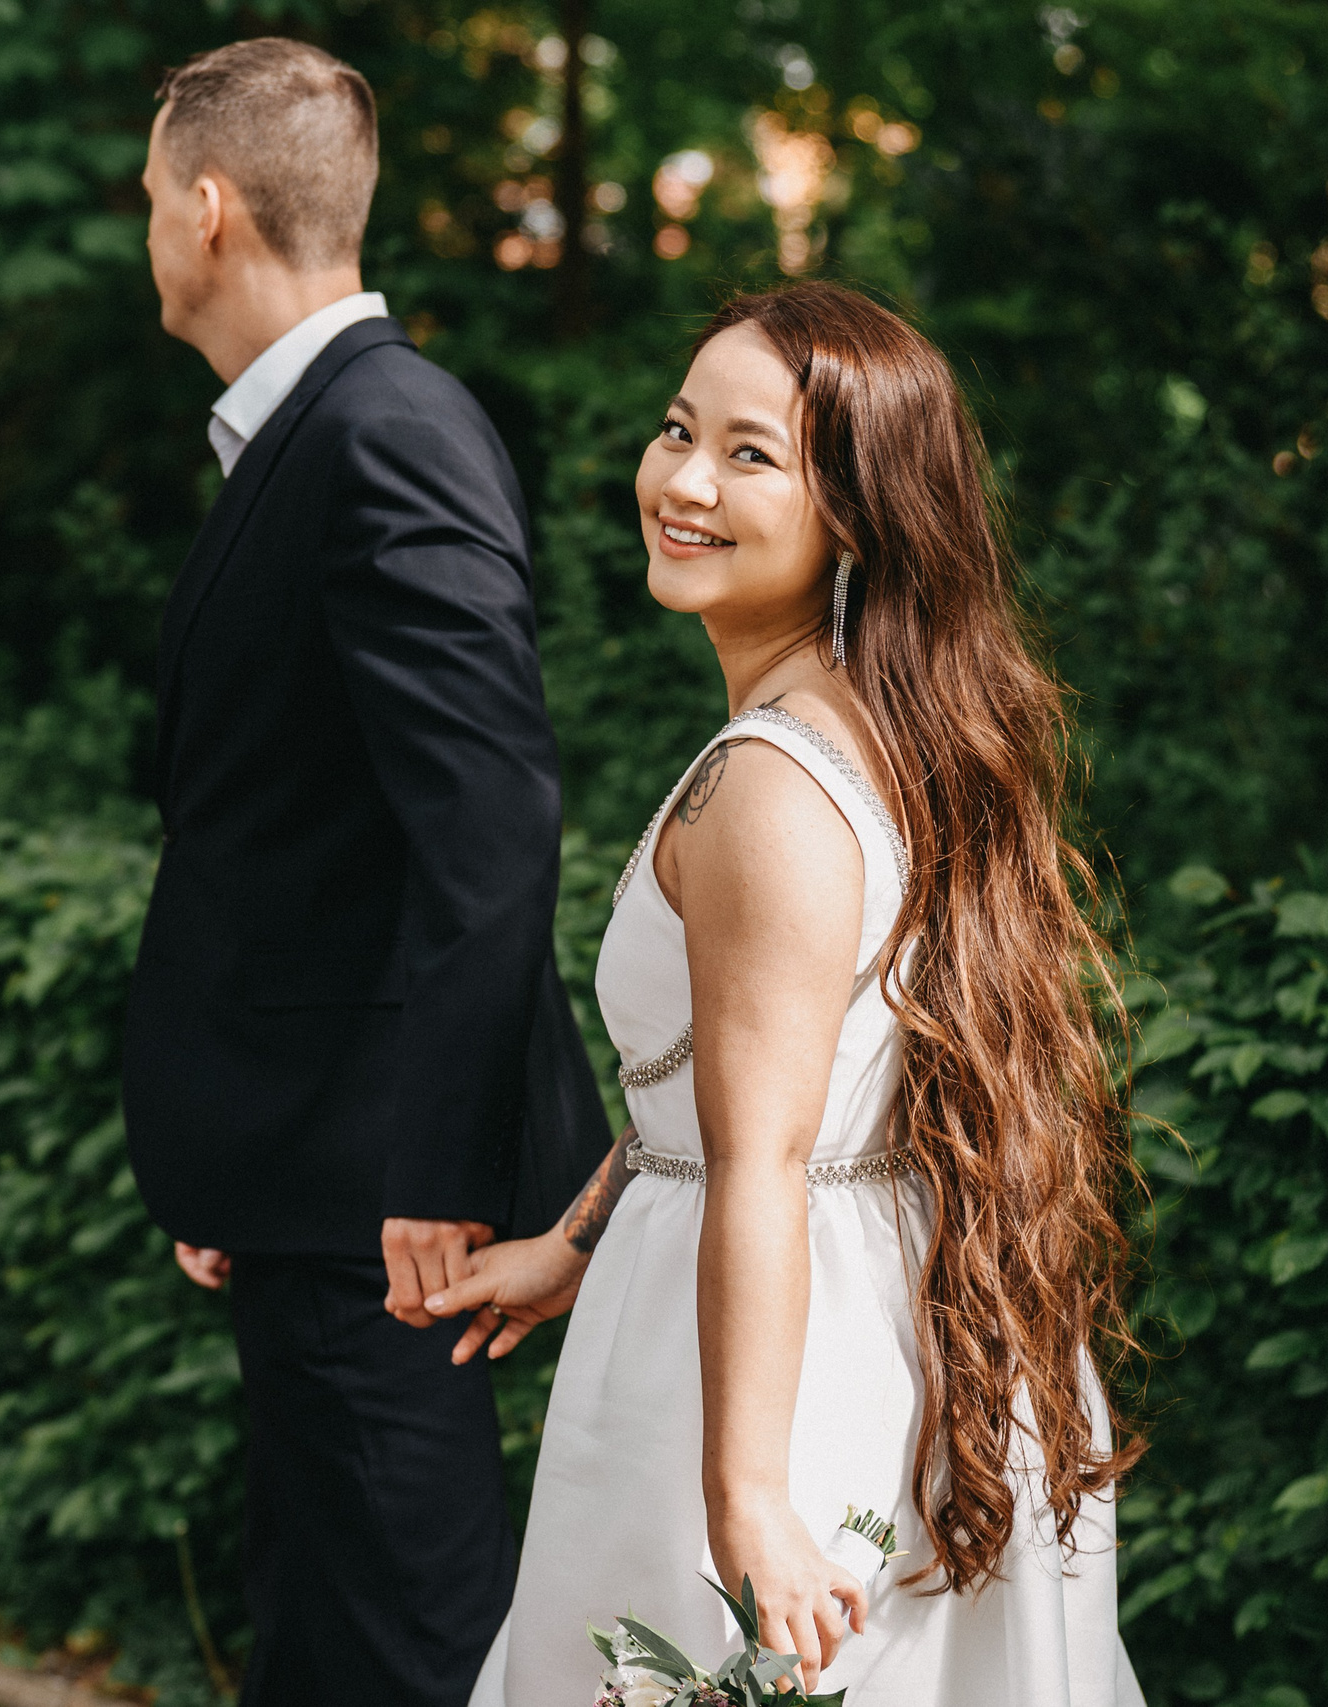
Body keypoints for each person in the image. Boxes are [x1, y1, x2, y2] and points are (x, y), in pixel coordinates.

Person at [430, 282, 1146, 1705]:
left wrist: (746, 1502)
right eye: (678, 430)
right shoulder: (894, 729)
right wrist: (572, 1244)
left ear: (860, 516)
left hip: (766, 1366)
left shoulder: (770, 788)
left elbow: (760, 1157)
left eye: (751, 456)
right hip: (867, 1305)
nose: (683, 482)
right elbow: (747, 1084)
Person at [118, 38, 609, 1707]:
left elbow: (490, 819)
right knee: (318, 1634)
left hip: (383, 1211)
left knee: (415, 1652)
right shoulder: (304, 434)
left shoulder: (386, 430)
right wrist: (235, 1165)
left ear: (207, 210)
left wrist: (426, 1171)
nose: (147, 239)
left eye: (147, 205)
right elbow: (297, 838)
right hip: (303, 1182)